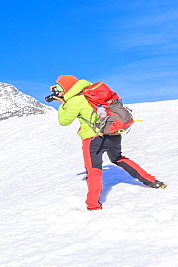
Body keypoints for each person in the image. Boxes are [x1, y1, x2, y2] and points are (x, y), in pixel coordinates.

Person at [49, 75, 165, 211]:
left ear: (66, 87)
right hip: (112, 133)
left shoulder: (75, 100)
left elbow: (64, 121)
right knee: (118, 158)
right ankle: (152, 181)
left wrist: (63, 105)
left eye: (58, 87)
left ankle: (93, 206)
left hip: (93, 139)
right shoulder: (92, 93)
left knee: (93, 171)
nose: (57, 91)